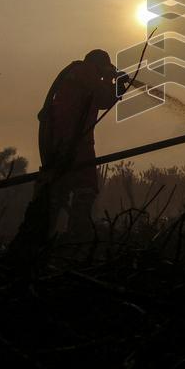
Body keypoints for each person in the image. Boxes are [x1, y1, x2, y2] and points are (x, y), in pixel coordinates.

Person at [36, 49, 124, 239]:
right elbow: (101, 94)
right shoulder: (84, 70)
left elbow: (102, 100)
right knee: (85, 186)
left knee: (57, 189)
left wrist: (118, 88)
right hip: (73, 142)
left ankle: (44, 234)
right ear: (98, 65)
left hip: (61, 141)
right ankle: (77, 233)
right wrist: (112, 80)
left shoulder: (75, 75)